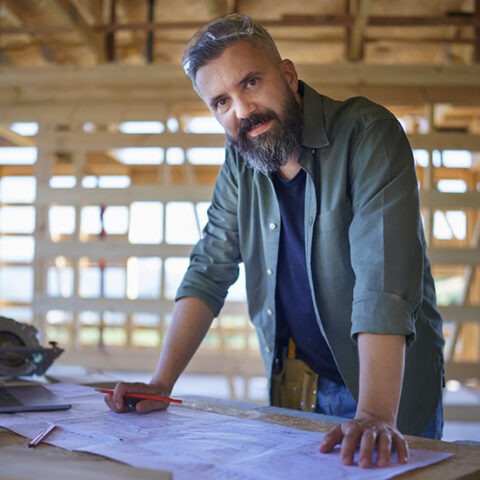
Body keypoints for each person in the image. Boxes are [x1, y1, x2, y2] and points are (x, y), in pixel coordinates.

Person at [104, 13, 445, 468]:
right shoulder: (240, 159)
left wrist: (375, 413)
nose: (241, 111)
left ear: (287, 74)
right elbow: (210, 267)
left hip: (385, 393)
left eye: (250, 83)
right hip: (292, 388)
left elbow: (383, 284)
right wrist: (162, 382)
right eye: (221, 102)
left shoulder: (368, 134)